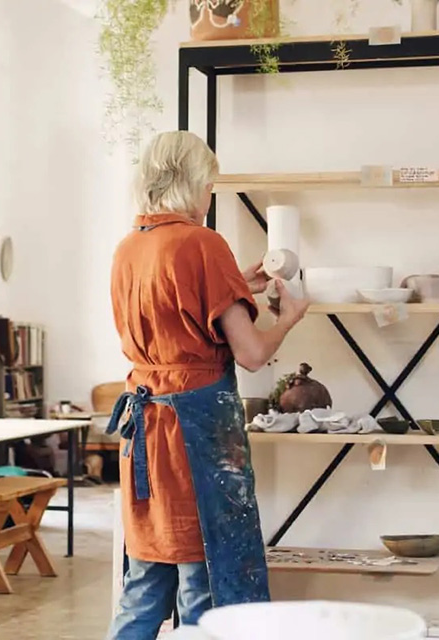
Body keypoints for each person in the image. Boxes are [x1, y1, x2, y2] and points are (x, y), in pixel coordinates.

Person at [106, 131, 309, 639]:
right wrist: (290, 318)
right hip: (195, 437)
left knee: (145, 582)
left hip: (145, 430)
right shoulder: (203, 243)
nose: (210, 195)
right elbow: (253, 354)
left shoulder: (128, 248)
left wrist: (235, 283)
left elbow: (176, 316)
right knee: (205, 588)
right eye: (209, 184)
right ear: (192, 183)